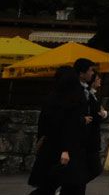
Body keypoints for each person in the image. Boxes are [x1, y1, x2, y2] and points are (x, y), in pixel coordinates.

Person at [28, 66, 87, 195]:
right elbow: (66, 126)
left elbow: (45, 123)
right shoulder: (71, 99)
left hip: (51, 146)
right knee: (64, 185)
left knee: (50, 185)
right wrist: (65, 150)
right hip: (64, 148)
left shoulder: (53, 97)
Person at [83, 69, 107, 182]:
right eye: (97, 78)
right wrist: (101, 114)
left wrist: (103, 114)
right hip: (89, 138)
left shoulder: (92, 96)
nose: (100, 80)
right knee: (95, 168)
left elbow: (100, 112)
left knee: (92, 168)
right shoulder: (89, 96)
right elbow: (95, 114)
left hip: (91, 138)